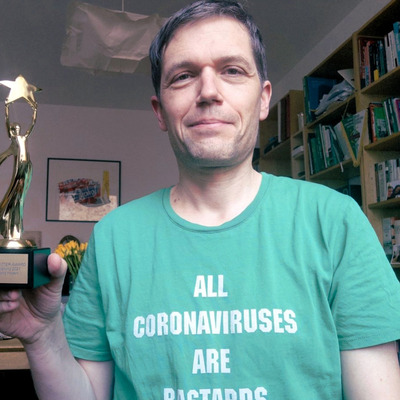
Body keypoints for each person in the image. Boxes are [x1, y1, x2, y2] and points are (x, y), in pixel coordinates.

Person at [1, 1, 400, 399]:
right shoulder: (113, 238)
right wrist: (42, 337)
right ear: (160, 111)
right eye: (184, 76)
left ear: (263, 99)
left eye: (232, 70)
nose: (208, 91)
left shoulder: (335, 222)